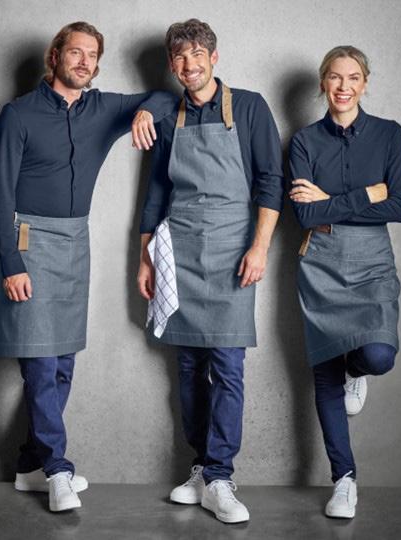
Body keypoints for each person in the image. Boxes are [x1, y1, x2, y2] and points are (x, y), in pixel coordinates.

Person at [0, 21, 177, 512]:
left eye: (92, 55)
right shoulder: (18, 114)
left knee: (63, 363)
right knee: (39, 363)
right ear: (55, 56)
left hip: (75, 242)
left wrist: (142, 114)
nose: (84, 61)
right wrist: (11, 263)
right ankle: (57, 469)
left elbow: (163, 97)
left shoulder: (103, 108)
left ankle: (29, 465)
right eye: (75, 52)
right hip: (28, 242)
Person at [137, 19, 284, 524]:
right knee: (187, 367)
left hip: (231, 250)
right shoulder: (167, 116)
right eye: (180, 57)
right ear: (171, 64)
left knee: (227, 366)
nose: (189, 64)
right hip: (178, 249)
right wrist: (144, 257)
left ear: (214, 58)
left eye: (198, 54)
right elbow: (157, 191)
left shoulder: (249, 107)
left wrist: (259, 247)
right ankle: (200, 467)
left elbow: (270, 181)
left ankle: (221, 475)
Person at [289, 45, 401, 519]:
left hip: (372, 262)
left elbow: (399, 206)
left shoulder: (389, 134)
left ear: (365, 83)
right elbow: (305, 215)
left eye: (353, 77)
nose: (344, 87)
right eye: (335, 77)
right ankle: (344, 480)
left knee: (378, 355)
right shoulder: (304, 141)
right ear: (323, 82)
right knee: (324, 373)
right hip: (319, 262)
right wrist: (366, 194)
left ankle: (355, 371)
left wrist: (330, 201)